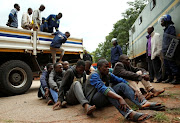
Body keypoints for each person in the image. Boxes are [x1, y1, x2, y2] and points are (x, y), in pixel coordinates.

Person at [85, 59, 164, 122]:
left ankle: (143, 103)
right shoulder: (94, 75)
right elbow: (103, 89)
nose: (107, 69)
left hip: (104, 97)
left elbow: (122, 80)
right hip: (95, 101)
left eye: (108, 67)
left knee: (122, 85)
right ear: (99, 68)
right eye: (105, 67)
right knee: (108, 89)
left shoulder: (107, 74)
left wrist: (135, 90)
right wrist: (119, 98)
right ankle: (129, 113)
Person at [160, 14, 179, 84]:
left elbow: (173, 39)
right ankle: (169, 77)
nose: (161, 22)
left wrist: (170, 50)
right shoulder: (166, 29)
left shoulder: (171, 28)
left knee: (172, 64)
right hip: (165, 50)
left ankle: (176, 78)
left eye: (162, 21)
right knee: (166, 65)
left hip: (169, 50)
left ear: (166, 20)